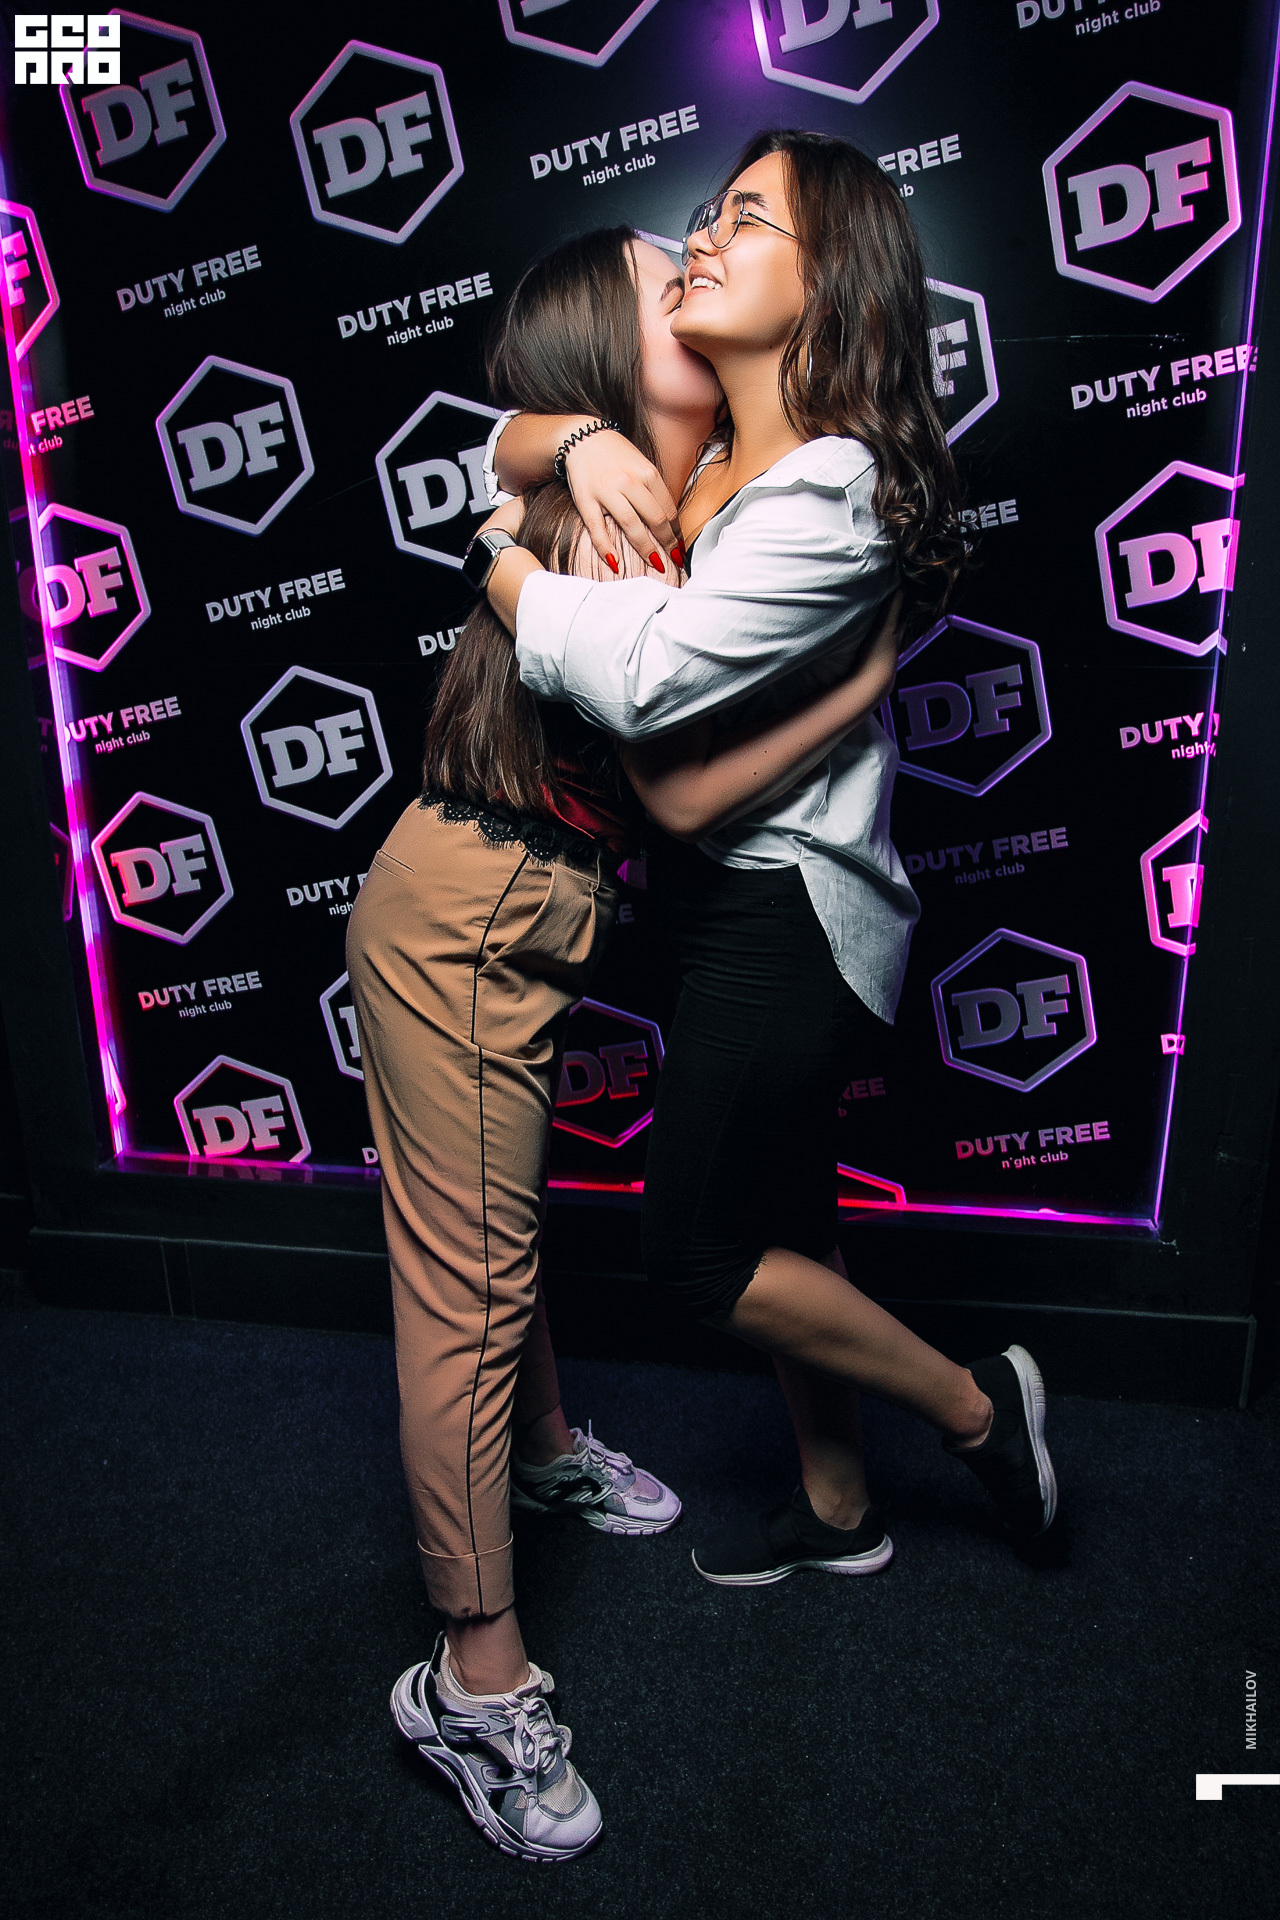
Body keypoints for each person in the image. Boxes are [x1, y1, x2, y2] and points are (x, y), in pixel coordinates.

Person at [346, 223, 906, 1866]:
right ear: (609, 346)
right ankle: (472, 1674)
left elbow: (497, 445)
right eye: (667, 281)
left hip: (529, 911)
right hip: (464, 904)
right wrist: (565, 446)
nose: (695, 275)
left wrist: (566, 441)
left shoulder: (698, 492)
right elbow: (661, 763)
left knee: (501, 1237)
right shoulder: (592, 501)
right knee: (471, 1284)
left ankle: (541, 1455)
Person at [479, 132, 1058, 1599]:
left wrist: (507, 571)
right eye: (712, 210)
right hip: (719, 900)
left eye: (749, 219)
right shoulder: (711, 456)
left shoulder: (830, 489)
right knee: (793, 1219)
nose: (706, 235)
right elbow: (502, 445)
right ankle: (838, 1505)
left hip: (792, 907)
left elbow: (649, 689)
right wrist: (573, 442)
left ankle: (979, 1407)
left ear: (831, 279)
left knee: (696, 1256)